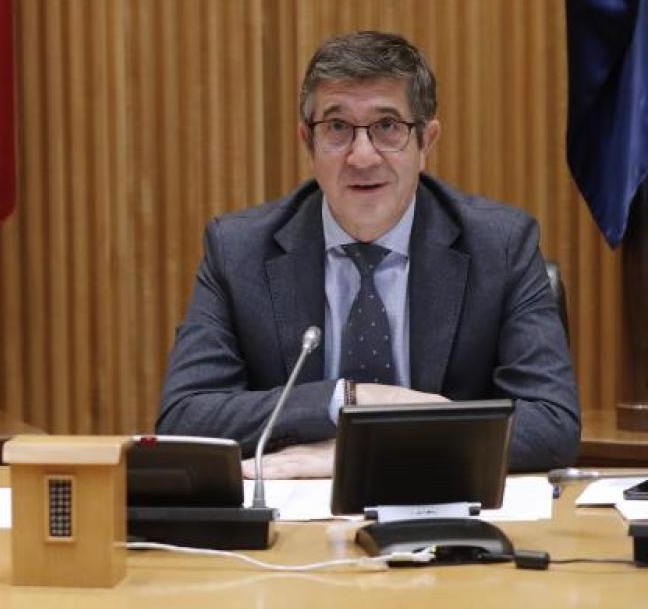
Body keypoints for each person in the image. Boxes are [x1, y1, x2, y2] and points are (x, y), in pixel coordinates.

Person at [155, 31, 580, 477]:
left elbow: (552, 426)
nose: (362, 157)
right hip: (295, 511)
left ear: (426, 142)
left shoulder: (500, 245)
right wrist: (347, 399)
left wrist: (363, 452)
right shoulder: (238, 251)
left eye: (387, 126)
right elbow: (185, 416)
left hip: (441, 502)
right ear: (307, 142)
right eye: (337, 127)